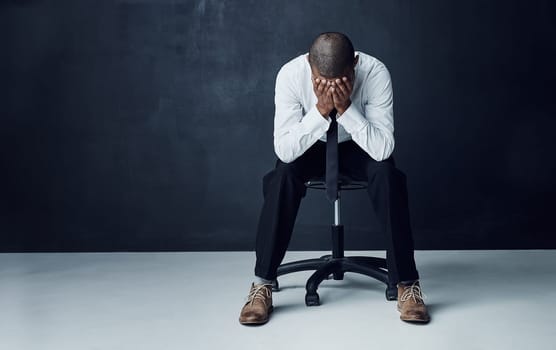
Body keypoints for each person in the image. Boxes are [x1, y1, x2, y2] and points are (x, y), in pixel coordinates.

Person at [239, 32, 430, 325]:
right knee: (282, 176)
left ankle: (407, 283)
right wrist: (320, 111)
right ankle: (262, 282)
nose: (330, 87)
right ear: (308, 63)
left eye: (340, 80)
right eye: (322, 80)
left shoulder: (375, 73)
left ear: (354, 65)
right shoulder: (291, 74)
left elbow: (382, 148)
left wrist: (345, 109)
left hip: (359, 144)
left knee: (387, 175)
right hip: (310, 144)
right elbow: (286, 150)